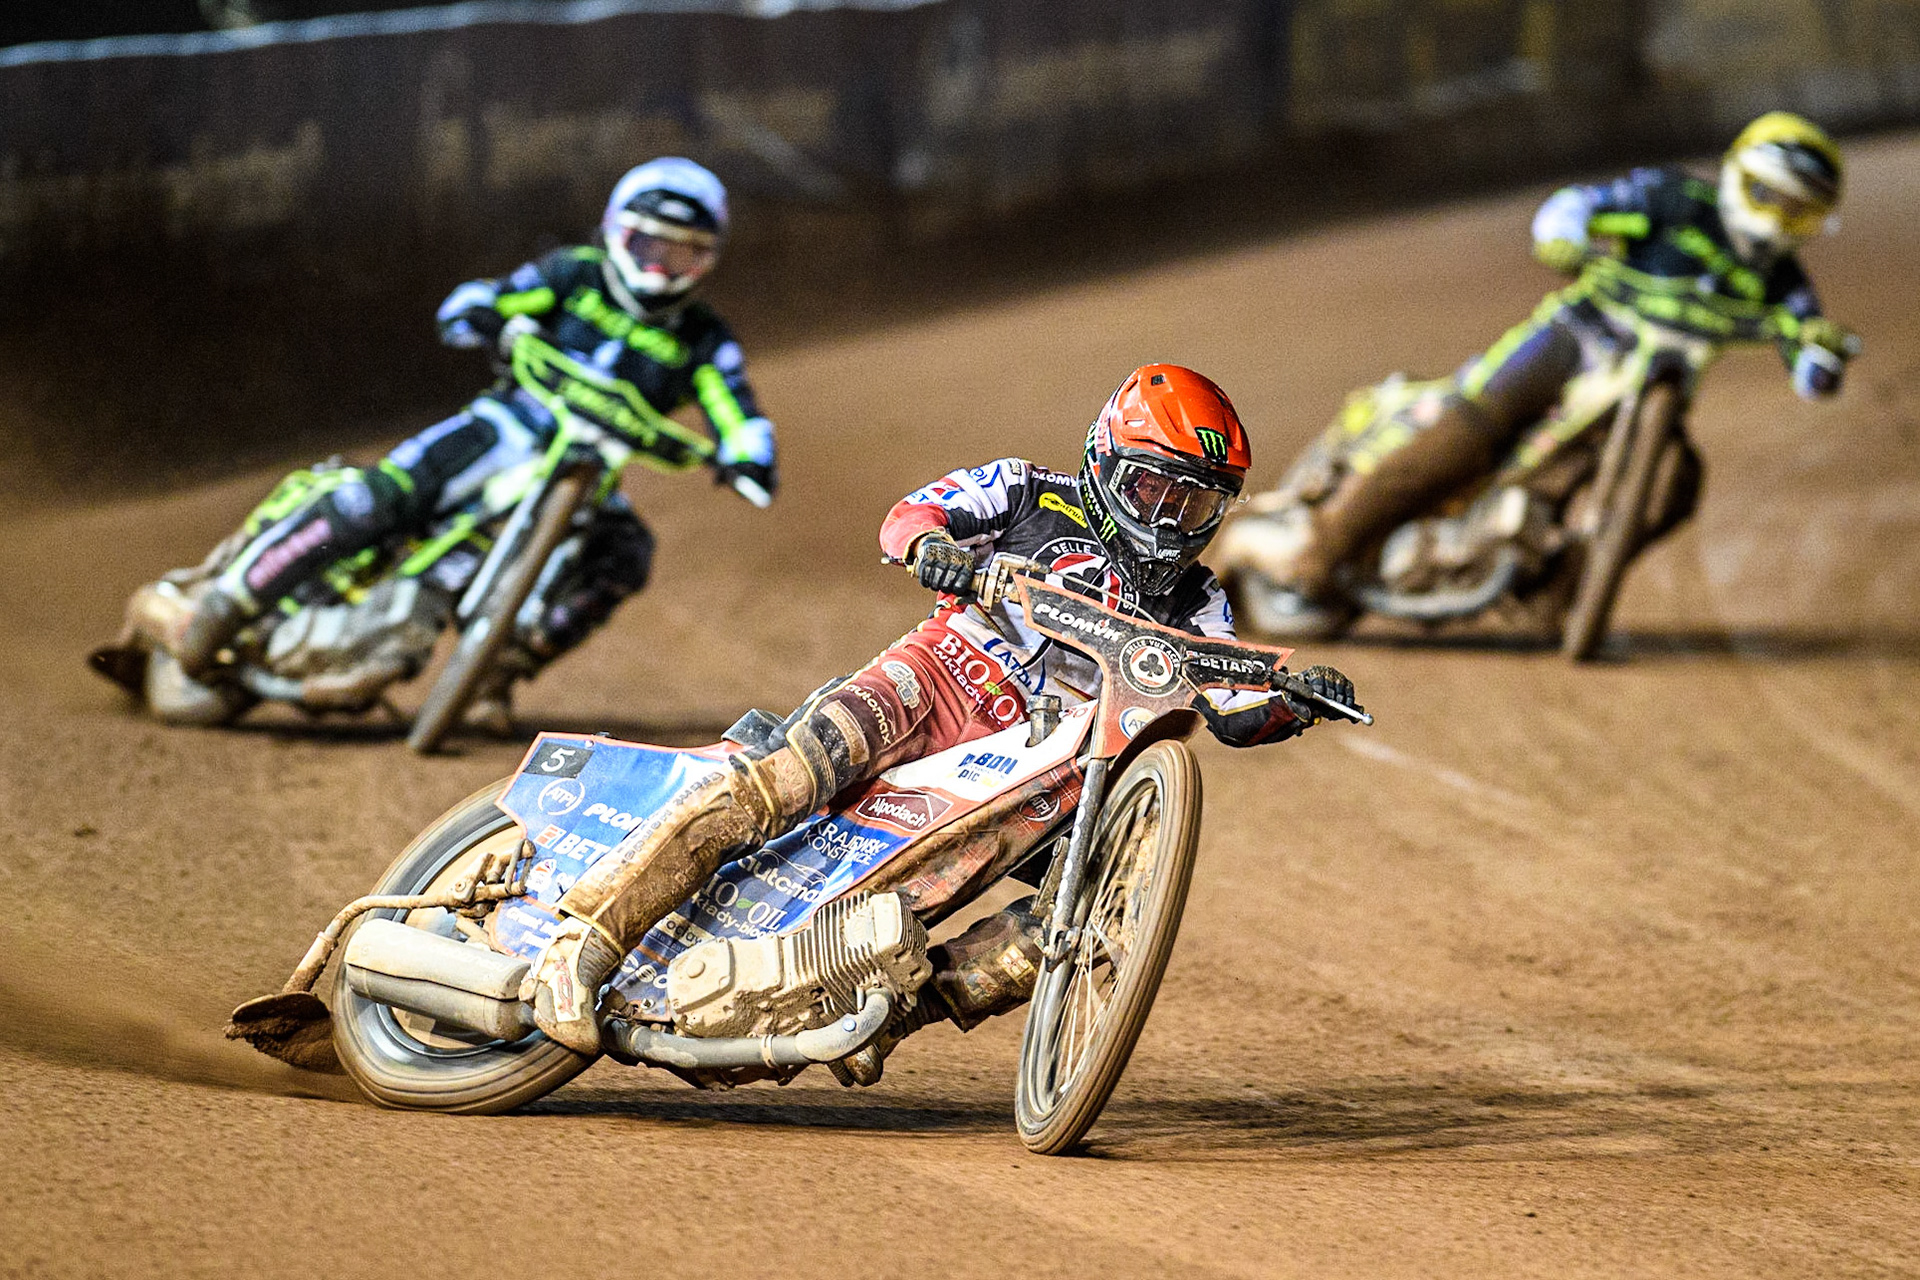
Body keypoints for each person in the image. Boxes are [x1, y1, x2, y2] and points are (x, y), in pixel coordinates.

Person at [523, 363, 1358, 1060]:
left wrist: (1298, 697)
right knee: (782, 780)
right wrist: (940, 554)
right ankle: (582, 942)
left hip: (1043, 770)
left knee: (1086, 906)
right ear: (1105, 460)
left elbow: (1236, 706)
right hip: (937, 680)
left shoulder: (1199, 597)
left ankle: (893, 1019)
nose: (1170, 519)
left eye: (1196, 504)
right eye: (1154, 489)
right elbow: (911, 516)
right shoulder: (1029, 490)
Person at [172, 157, 778, 729]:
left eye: (683, 255)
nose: (660, 269)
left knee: (626, 554)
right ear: (618, 233)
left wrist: (749, 455)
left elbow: (735, 405)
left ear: (707, 263)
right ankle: (230, 599)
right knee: (382, 495)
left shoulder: (704, 337)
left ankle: (499, 671)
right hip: (505, 425)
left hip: (591, 471)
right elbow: (484, 297)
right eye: (651, 246)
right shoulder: (573, 273)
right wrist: (485, 312)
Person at [1263, 111, 1858, 628]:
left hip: (1656, 393)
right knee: (1473, 427)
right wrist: (1566, 232)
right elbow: (1583, 206)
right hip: (1577, 338)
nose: (1778, 222)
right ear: (1736, 177)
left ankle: (1561, 587)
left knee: (1678, 487)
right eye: (1770, 197)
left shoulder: (1785, 283)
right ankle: (1323, 547)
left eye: (1800, 214)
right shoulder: (1673, 202)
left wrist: (1822, 362)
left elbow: (1809, 355)